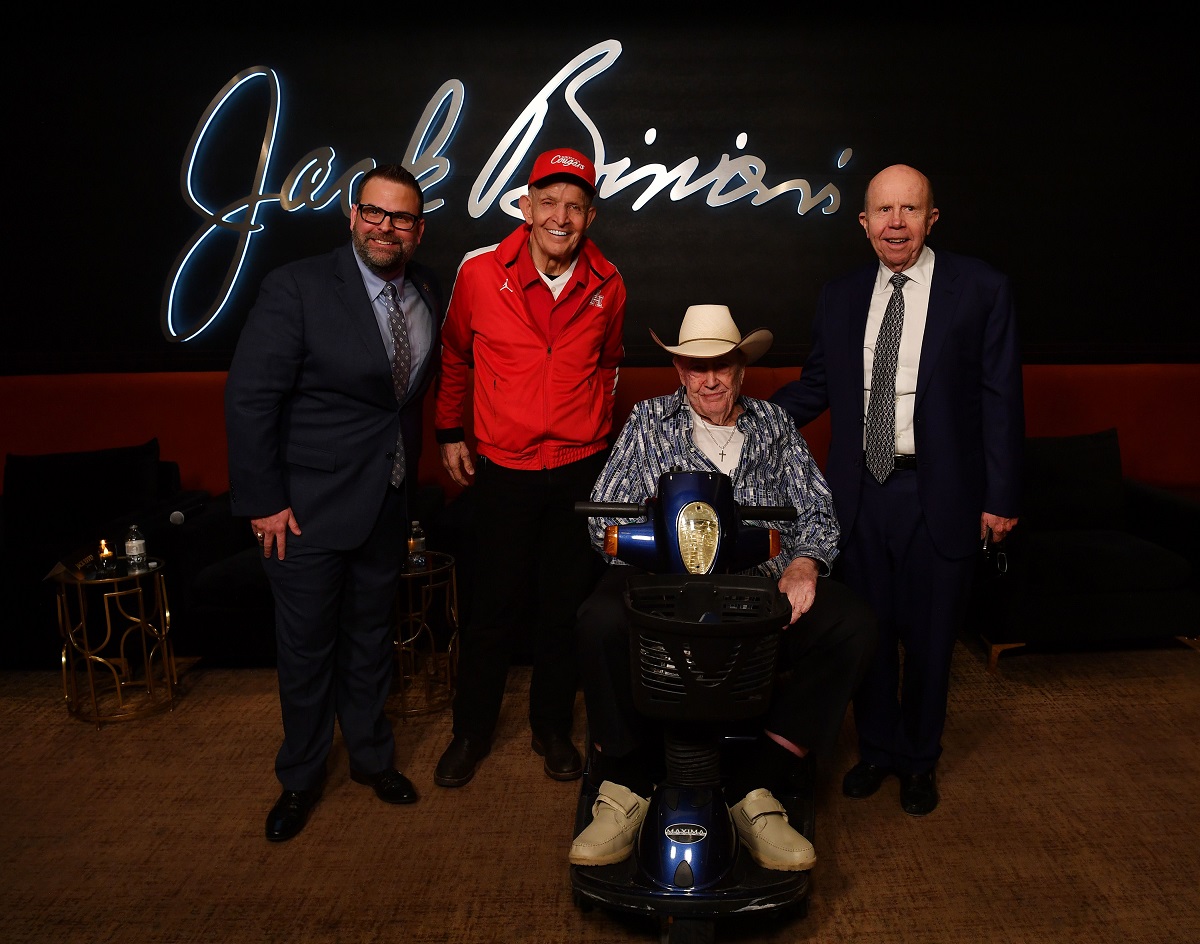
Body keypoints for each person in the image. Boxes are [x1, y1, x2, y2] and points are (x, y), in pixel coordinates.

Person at [569, 305, 876, 871]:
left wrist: (804, 563)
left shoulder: (775, 425)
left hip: (757, 591)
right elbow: (600, 521)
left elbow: (817, 512)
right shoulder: (647, 421)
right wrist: (655, 543)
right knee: (598, 619)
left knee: (852, 624)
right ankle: (626, 781)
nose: (709, 379)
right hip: (662, 587)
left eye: (722, 366)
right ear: (679, 371)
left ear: (740, 370)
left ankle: (760, 784)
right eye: (695, 366)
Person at [770, 164, 1023, 816]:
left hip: (941, 496)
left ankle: (919, 760)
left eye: (910, 210)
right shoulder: (840, 295)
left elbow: (1001, 400)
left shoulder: (981, 289)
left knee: (933, 640)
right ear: (864, 223)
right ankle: (878, 751)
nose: (896, 223)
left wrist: (1002, 498)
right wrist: (746, 414)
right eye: (884, 211)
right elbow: (818, 385)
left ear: (931, 219)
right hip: (858, 494)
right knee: (868, 635)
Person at [225, 164, 443, 841]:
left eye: (401, 218)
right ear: (352, 216)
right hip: (304, 509)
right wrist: (263, 501)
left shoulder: (426, 291)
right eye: (374, 213)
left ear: (418, 229)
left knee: (371, 641)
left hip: (386, 500)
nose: (386, 227)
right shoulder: (297, 287)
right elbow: (250, 396)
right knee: (306, 649)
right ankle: (300, 777)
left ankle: (372, 759)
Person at [432, 147, 627, 787]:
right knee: (491, 606)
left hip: (578, 467)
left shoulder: (610, 282)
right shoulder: (480, 273)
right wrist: (449, 428)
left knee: (564, 608)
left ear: (590, 215)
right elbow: (455, 354)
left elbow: (609, 364)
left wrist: (594, 423)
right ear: (526, 206)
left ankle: (550, 728)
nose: (561, 217)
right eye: (549, 202)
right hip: (503, 467)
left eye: (574, 206)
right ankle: (472, 731)